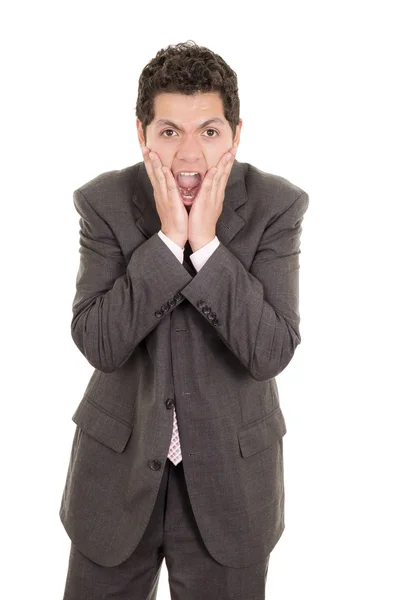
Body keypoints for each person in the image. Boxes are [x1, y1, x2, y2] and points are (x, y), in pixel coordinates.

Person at [59, 40, 309, 600]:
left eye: (210, 132)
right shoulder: (105, 202)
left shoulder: (277, 206)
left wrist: (209, 248)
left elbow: (271, 350)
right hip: (116, 478)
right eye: (170, 132)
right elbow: (99, 340)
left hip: (231, 482)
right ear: (142, 135)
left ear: (237, 134)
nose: (190, 156)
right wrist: (171, 243)